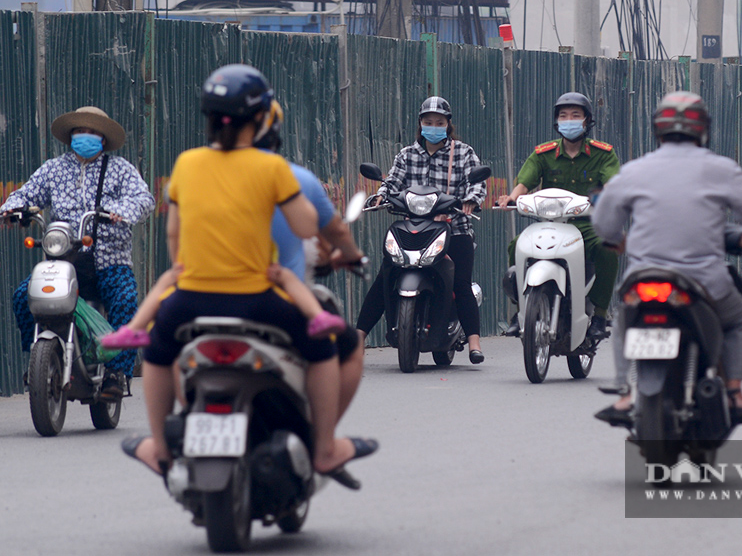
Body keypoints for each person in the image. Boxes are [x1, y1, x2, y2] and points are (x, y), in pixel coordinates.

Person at [125, 65, 375, 481]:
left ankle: (160, 446)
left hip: (189, 299)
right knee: (331, 347)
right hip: (260, 300)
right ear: (261, 120)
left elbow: (175, 237)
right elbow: (306, 227)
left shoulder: (187, 164)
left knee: (157, 349)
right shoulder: (276, 170)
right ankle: (325, 447)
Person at [592, 91, 742, 425]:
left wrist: (617, 241)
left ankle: (625, 393)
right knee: (739, 320)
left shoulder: (635, 169)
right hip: (705, 280)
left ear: (657, 129)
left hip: (643, 277)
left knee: (624, 321)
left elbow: (604, 222)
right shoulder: (722, 169)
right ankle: (735, 391)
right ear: (703, 129)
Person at [0, 106, 155, 398]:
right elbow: (26, 194)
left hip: (109, 261)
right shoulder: (53, 169)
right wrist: (13, 208)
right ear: (70, 136)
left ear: (104, 139)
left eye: (93, 132)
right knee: (24, 296)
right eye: (80, 131)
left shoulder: (120, 170)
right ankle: (37, 358)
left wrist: (120, 211)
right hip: (62, 262)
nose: (86, 136)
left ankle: (117, 374)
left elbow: (144, 200)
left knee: (125, 300)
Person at [355, 96, 487, 364]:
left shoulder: (462, 152)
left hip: (455, 228)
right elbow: (392, 181)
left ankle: (474, 342)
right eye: (428, 122)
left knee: (460, 283)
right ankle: (357, 338)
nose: (433, 126)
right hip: (413, 227)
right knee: (385, 277)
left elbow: (477, 182)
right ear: (420, 123)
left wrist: (471, 199)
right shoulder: (407, 155)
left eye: (439, 122)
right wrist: (381, 195)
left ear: (448, 125)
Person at [497, 92, 620, 343]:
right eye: (563, 116)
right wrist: (511, 198)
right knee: (517, 246)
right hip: (550, 224)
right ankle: (521, 308)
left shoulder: (603, 154)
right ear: (556, 121)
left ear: (587, 121)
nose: (569, 120)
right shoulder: (543, 153)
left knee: (608, 248)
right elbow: (524, 182)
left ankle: (599, 314)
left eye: (576, 115)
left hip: (587, 225)